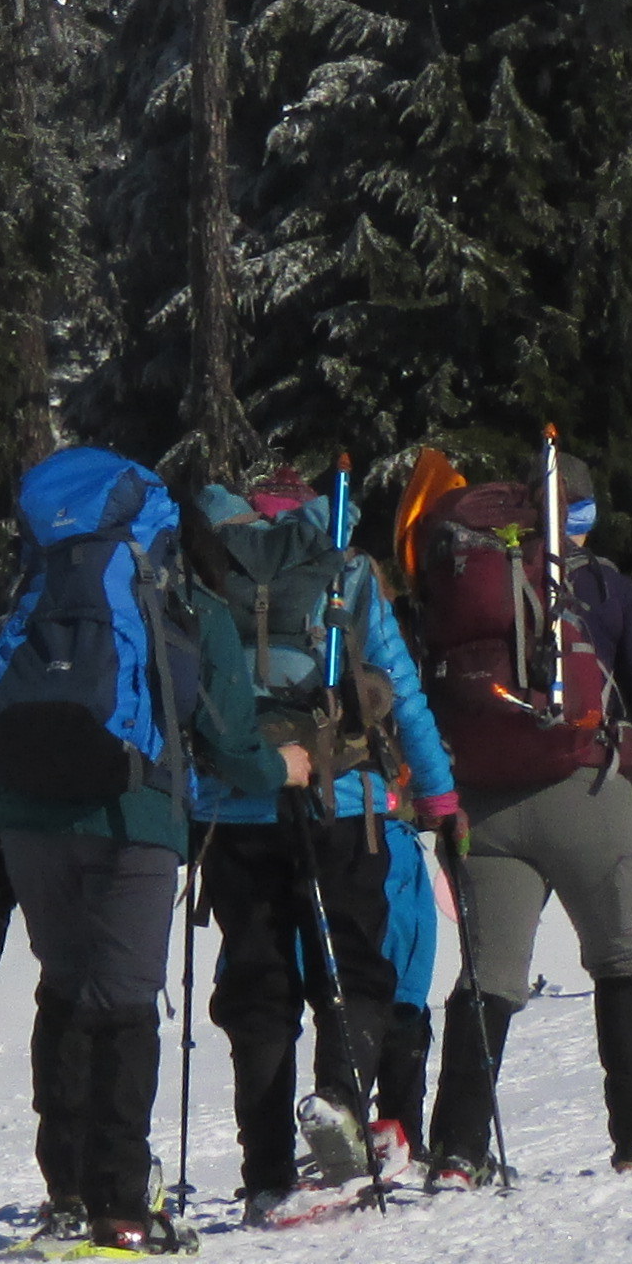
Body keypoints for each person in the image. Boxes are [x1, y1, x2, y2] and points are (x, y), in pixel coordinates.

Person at [0, 443, 289, 1251]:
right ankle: (119, 1206)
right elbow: (228, 742)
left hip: (28, 825)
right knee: (122, 1005)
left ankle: (67, 1194)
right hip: (131, 819)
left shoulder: (29, 602)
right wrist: (284, 768)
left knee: (65, 992)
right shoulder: (186, 606)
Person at [419, 475, 632, 1177]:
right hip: (585, 792)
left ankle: (458, 1151)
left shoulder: (460, 579)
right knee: (620, 958)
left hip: (483, 801)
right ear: (581, 513)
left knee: (488, 975)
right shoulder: (607, 590)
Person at [187, 467, 461, 1222]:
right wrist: (437, 794)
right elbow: (400, 692)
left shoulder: (210, 572)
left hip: (236, 811)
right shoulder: (345, 570)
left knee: (258, 989)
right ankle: (339, 1100)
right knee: (355, 968)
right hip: (344, 803)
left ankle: (267, 1171)